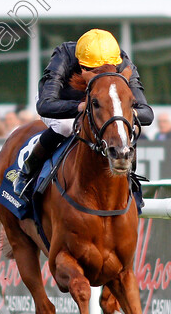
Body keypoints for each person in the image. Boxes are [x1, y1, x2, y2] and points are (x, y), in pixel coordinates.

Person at [12, 28, 154, 197]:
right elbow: (45, 105)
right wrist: (81, 107)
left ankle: (130, 179)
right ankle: (27, 173)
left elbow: (146, 113)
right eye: (95, 69)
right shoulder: (64, 55)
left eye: (108, 68)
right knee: (65, 127)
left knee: (128, 127)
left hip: (104, 105)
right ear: (82, 64)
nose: (102, 72)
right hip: (63, 100)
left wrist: (124, 114)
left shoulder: (123, 62)